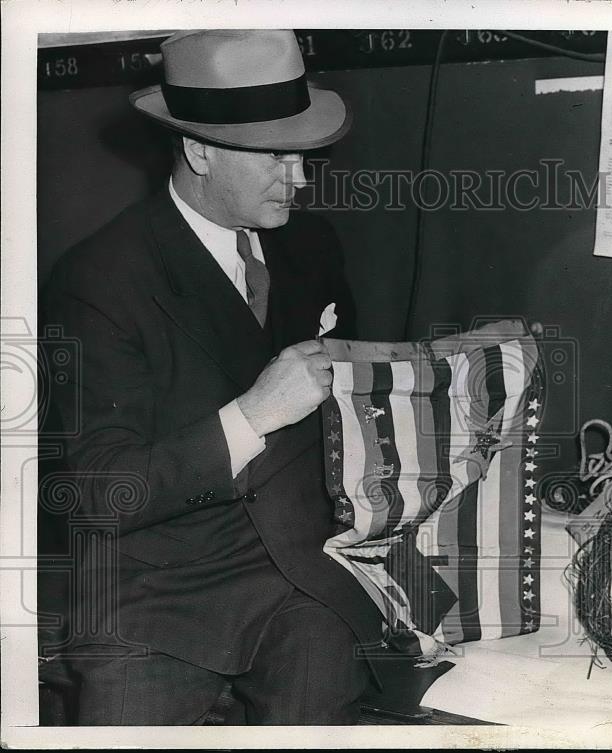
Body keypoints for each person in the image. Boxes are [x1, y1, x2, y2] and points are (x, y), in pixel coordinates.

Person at [41, 29, 385, 725]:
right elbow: (97, 492)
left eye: (302, 155)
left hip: (299, 572)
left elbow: (355, 401)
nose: (299, 179)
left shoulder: (309, 242)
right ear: (198, 150)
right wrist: (254, 414)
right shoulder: (100, 279)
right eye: (275, 158)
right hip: (154, 586)